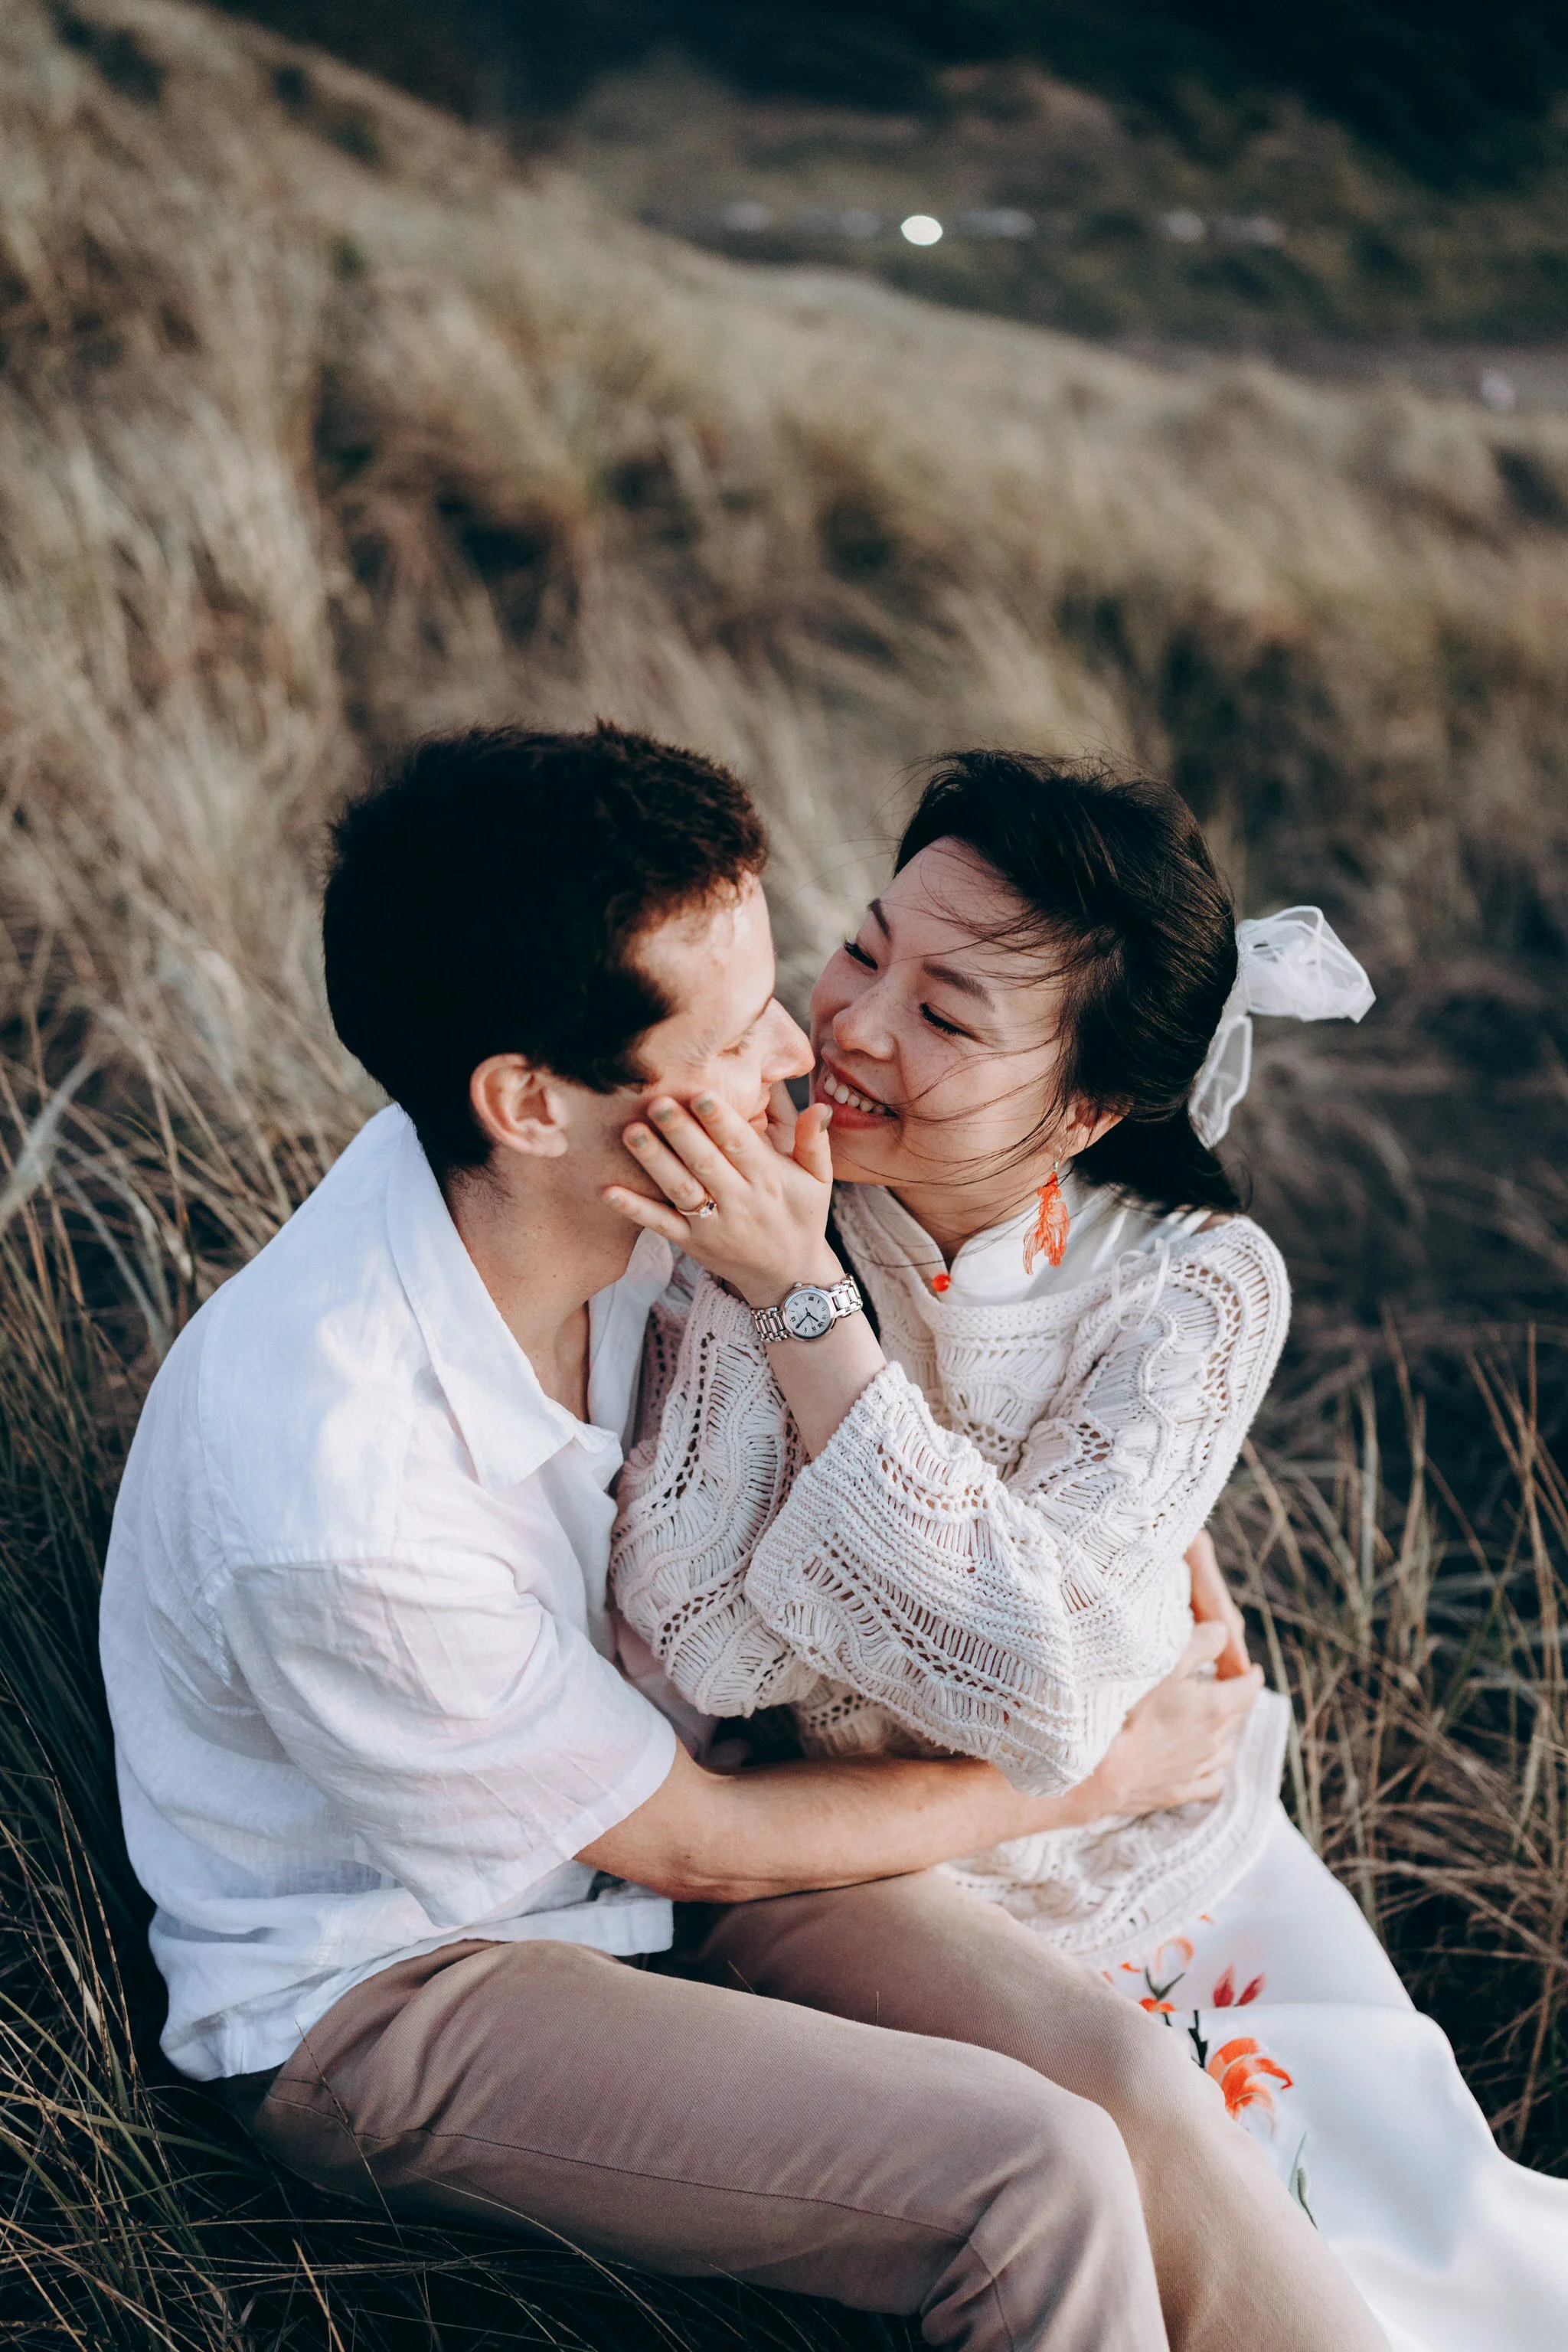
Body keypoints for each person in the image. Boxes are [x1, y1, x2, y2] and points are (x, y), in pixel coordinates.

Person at [97, 724, 1387, 2352]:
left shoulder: (643, 1203)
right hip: (413, 1979)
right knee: (1034, 2176)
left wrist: (1100, 1599)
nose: (803, 1047)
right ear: (526, 1099)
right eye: (732, 1027)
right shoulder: (341, 1488)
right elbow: (690, 1833)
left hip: (676, 1837)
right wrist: (1100, 1766)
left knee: (1125, 2085)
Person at [610, 750, 1568, 2352]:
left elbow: (1036, 1679)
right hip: (860, 1861)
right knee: (1203, 2210)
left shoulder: (1196, 1282)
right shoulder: (766, 1210)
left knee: (1431, 2208)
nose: (850, 1027)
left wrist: (1015, 1630)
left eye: (946, 1012)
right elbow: (708, 1634)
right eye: (866, 951)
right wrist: (807, 1304)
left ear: (1083, 1106)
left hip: (1183, 1845)